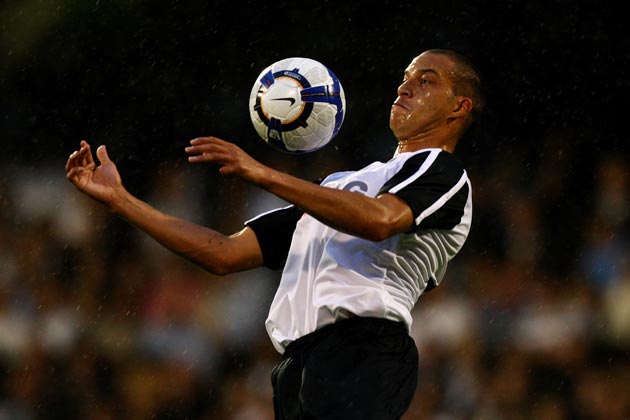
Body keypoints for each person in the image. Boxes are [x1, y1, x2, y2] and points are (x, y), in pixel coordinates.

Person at [65, 48, 485, 420]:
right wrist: (121, 200)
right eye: (406, 78)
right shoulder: (339, 186)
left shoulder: (443, 172)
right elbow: (223, 253)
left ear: (458, 108)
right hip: (298, 366)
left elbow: (379, 220)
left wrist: (263, 174)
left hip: (364, 350)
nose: (405, 87)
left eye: (426, 80)